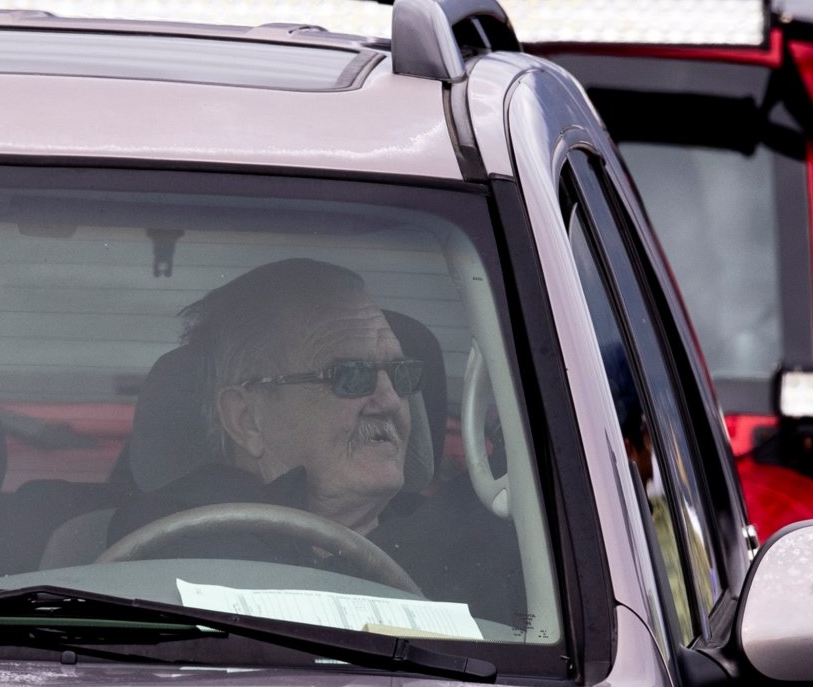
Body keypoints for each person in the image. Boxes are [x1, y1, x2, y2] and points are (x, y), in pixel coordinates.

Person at [107, 257, 526, 624]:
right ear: (247, 418)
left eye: (400, 375)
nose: (388, 400)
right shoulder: (170, 538)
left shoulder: (496, 540)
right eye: (349, 376)